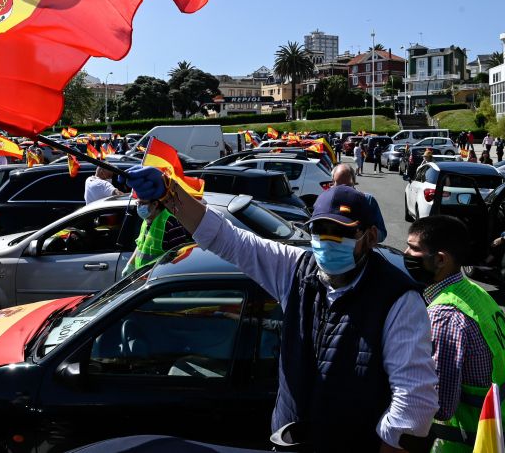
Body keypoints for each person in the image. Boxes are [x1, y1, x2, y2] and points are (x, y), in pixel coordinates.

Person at [122, 168, 439, 451]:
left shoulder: (397, 299)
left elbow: (414, 400)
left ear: (369, 237)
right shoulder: (297, 270)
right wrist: (170, 192)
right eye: (319, 230)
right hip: (290, 439)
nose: (327, 241)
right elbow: (228, 239)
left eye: (341, 232)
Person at [403, 216, 505, 451]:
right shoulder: (475, 294)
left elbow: (440, 406)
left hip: (470, 445)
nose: (406, 253)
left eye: (413, 248)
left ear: (440, 259)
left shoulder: (445, 315)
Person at [121, 198, 192, 275]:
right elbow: (140, 245)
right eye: (138, 203)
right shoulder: (146, 220)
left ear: (155, 204)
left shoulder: (170, 223)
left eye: (142, 203)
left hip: (158, 279)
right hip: (142, 276)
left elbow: (179, 256)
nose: (139, 207)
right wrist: (130, 264)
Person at [332, 163, 387, 243]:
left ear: (354, 183)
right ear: (333, 183)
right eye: (339, 186)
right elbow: (313, 228)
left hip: (360, 253)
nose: (344, 190)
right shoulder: (328, 201)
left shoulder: (367, 200)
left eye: (347, 186)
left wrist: (364, 234)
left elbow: (382, 233)